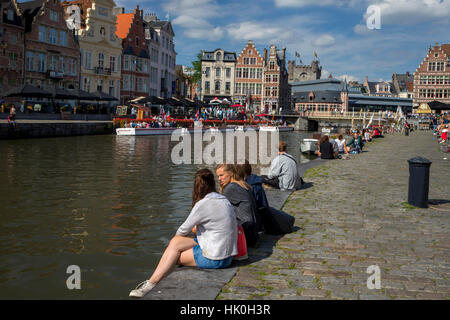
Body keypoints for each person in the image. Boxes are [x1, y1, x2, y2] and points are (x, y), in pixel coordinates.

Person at [129, 169, 238, 298]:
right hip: (227, 255)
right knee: (175, 244)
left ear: (196, 186)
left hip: (217, 259)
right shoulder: (223, 199)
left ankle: (151, 284)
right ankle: (151, 282)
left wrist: (191, 231)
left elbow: (181, 231)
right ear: (213, 183)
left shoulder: (203, 204)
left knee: (173, 255)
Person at [216, 164, 259, 248]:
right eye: (218, 176)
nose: (219, 179)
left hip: (245, 235)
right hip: (253, 233)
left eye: (221, 175)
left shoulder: (230, 188)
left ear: (231, 173)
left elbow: (217, 211)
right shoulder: (243, 184)